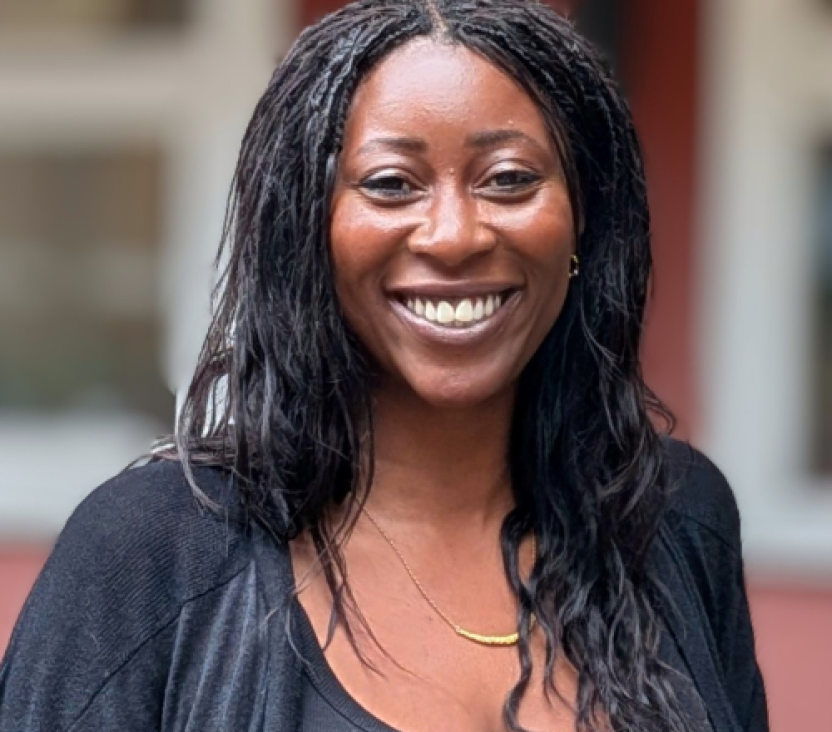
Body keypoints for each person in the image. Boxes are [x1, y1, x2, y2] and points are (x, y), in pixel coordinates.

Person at [0, 1, 769, 731]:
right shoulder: (148, 553)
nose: (453, 235)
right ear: (308, 230)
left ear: (583, 223)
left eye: (508, 179)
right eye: (391, 184)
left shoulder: (673, 518)